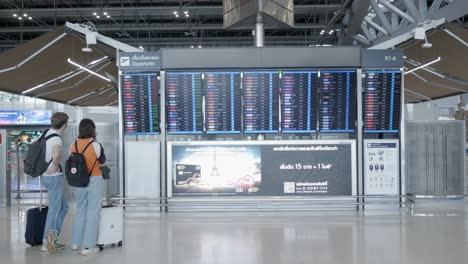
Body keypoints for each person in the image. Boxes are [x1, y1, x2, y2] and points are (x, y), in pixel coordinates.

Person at [70, 118, 106, 256]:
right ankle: (88, 246)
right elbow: (102, 162)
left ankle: (75, 242)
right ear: (93, 130)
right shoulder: (96, 145)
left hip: (78, 181)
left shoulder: (73, 144)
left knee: (80, 210)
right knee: (93, 212)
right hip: (94, 180)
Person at [40, 112, 69, 253]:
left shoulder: (46, 133)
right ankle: (47, 241)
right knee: (54, 209)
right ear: (64, 124)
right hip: (54, 177)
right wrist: (54, 167)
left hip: (45, 176)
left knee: (64, 207)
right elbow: (56, 155)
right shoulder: (57, 138)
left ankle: (53, 235)